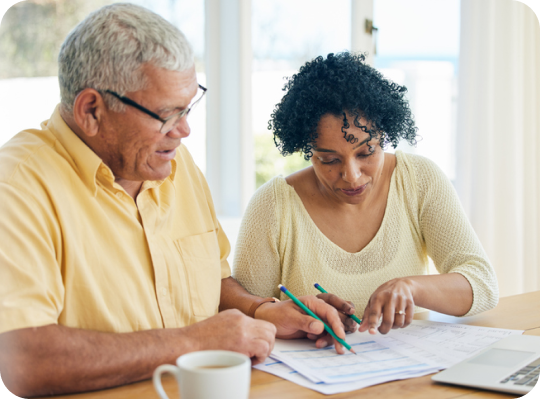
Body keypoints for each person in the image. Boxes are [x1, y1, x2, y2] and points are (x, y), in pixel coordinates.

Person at [0, 5, 350, 397]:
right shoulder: (15, 188)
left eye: (188, 106)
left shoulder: (173, 163)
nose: (183, 130)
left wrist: (262, 310)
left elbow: (211, 281)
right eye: (166, 115)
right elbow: (20, 361)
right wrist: (191, 342)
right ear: (91, 110)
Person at [233, 52, 499, 343]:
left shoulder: (418, 180)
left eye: (366, 152)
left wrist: (412, 288)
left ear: (384, 134)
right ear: (307, 149)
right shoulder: (273, 205)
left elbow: (483, 285)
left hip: (408, 379)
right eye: (329, 160)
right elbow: (245, 316)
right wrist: (291, 318)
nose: (352, 176)